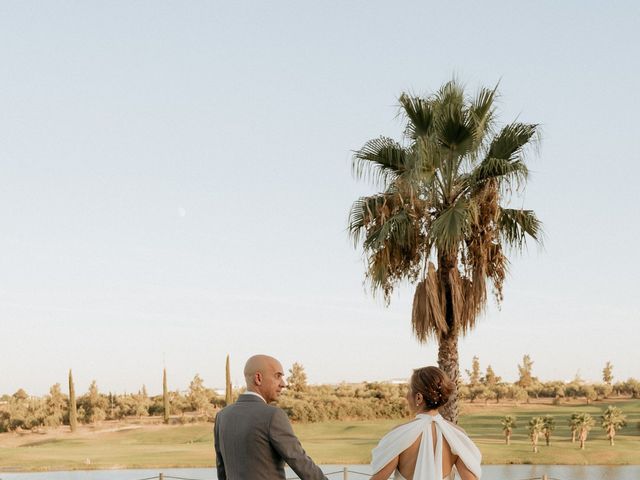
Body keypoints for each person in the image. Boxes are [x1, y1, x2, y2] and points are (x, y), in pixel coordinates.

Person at [214, 354, 328, 480]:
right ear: (258, 378)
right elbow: (300, 462)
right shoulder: (273, 415)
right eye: (278, 376)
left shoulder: (222, 416)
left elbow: (221, 470)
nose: (283, 384)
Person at [370, 366, 481, 480]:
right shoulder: (457, 436)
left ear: (419, 397)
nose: (406, 396)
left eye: (409, 390)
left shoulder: (399, 435)